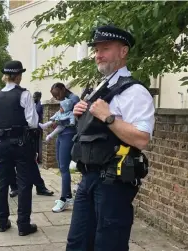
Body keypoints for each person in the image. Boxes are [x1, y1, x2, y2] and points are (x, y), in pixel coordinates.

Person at [67, 25, 154, 250]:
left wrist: (109, 118)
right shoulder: (101, 87)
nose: (98, 55)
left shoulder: (135, 91)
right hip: (88, 178)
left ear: (123, 52)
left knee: (109, 244)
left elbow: (142, 139)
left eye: (105, 48)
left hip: (113, 183)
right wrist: (81, 115)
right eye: (96, 50)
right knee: (77, 243)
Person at [0, 60, 39, 236]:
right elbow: (33, 122)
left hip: (2, 144)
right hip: (22, 144)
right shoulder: (24, 94)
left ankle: (2, 222)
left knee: (2, 184)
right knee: (24, 184)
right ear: (18, 76)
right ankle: (23, 225)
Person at [49, 82, 80, 213]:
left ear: (63, 89)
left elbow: (67, 117)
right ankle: (67, 196)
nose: (57, 98)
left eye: (57, 94)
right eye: (54, 96)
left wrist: (56, 122)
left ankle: (64, 199)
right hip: (62, 134)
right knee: (61, 165)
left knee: (64, 167)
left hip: (68, 134)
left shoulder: (73, 99)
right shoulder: (66, 99)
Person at [33, 92, 44, 163]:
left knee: (37, 143)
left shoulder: (40, 105)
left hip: (38, 127)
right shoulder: (36, 105)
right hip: (35, 126)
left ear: (39, 97)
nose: (33, 98)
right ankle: (36, 158)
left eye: (35, 97)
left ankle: (38, 159)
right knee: (35, 143)